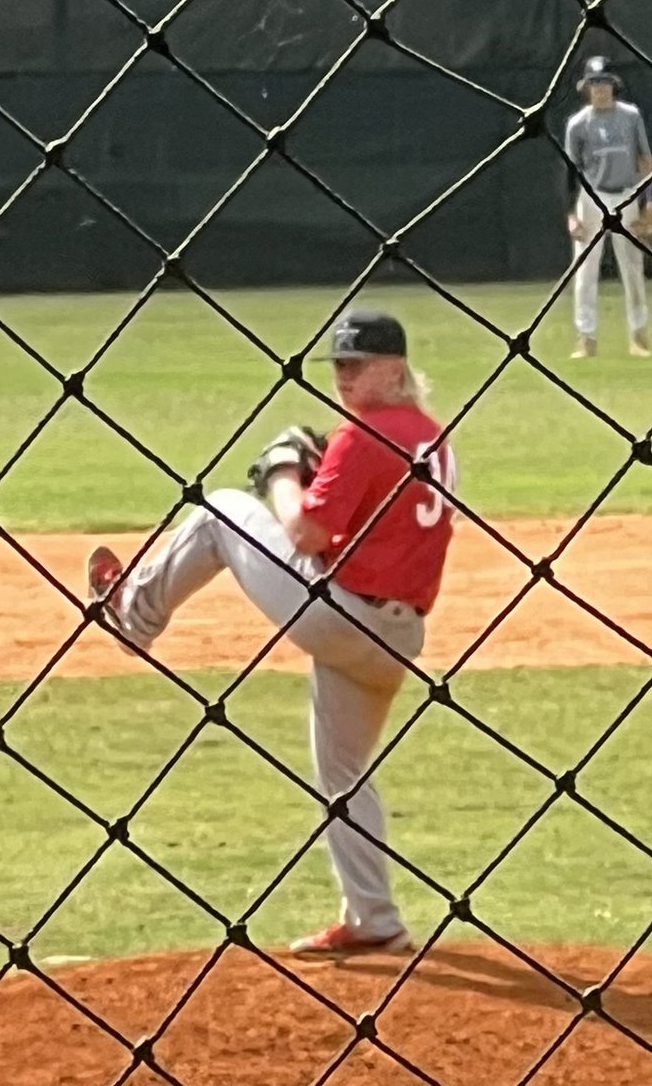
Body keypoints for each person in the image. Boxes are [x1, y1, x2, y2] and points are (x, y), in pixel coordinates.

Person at [86, 309, 456, 957]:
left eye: (357, 364)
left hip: (340, 616)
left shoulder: (365, 435)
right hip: (396, 638)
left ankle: (132, 616)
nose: (344, 377)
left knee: (219, 510)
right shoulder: (432, 436)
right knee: (343, 771)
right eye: (338, 366)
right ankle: (374, 918)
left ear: (393, 368)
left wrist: (284, 474)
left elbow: (305, 534)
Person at [562, 55, 652, 359]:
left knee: (632, 267)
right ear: (586, 88)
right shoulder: (578, 124)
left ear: (613, 86)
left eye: (604, 83)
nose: (599, 89)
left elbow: (644, 159)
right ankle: (586, 339)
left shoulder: (630, 116)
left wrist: (651, 200)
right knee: (585, 270)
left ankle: (639, 337)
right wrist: (571, 215)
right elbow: (570, 171)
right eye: (594, 84)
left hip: (626, 195)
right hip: (591, 197)